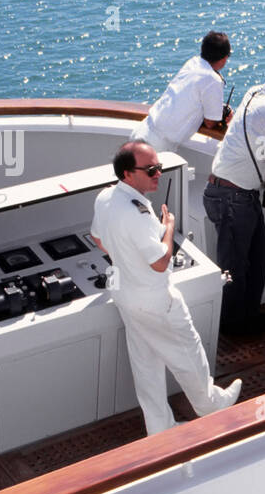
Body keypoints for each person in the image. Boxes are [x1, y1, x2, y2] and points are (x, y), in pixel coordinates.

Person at [90, 140, 241, 436]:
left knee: (146, 365)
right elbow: (160, 262)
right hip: (157, 301)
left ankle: (159, 428)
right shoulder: (138, 214)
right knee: (189, 354)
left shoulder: (105, 198)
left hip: (126, 297)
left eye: (159, 167)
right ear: (127, 174)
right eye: (150, 170)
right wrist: (168, 225)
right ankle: (212, 407)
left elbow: (98, 239)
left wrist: (128, 258)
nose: (158, 173)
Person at [204, 60, 265, 336]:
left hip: (234, 193)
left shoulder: (255, 93)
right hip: (233, 197)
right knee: (235, 265)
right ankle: (233, 329)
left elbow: (260, 137)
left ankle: (247, 317)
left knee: (259, 253)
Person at [131, 31, 234, 153]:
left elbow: (190, 97)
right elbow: (210, 123)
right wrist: (222, 115)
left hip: (142, 130)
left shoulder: (193, 62)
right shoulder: (213, 80)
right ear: (224, 58)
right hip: (156, 147)